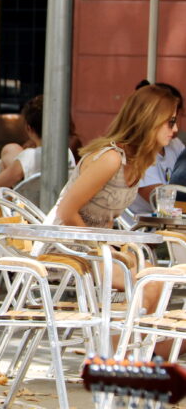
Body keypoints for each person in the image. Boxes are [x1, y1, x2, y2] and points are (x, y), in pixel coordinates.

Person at [50, 84, 181, 357]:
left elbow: (105, 217)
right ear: (149, 119)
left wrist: (115, 248)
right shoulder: (111, 158)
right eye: (170, 121)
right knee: (152, 282)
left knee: (154, 278)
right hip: (68, 249)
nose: (175, 129)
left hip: (94, 249)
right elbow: (66, 211)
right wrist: (103, 247)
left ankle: (135, 353)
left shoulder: (136, 161)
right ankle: (126, 355)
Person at [0, 95, 76, 194]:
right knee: (11, 149)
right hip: (57, 204)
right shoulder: (66, 153)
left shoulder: (29, 157)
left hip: (27, 207)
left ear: (29, 128)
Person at [127, 80, 184, 215]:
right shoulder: (134, 153)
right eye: (171, 122)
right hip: (146, 230)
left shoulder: (175, 144)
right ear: (152, 118)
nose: (176, 128)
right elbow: (162, 203)